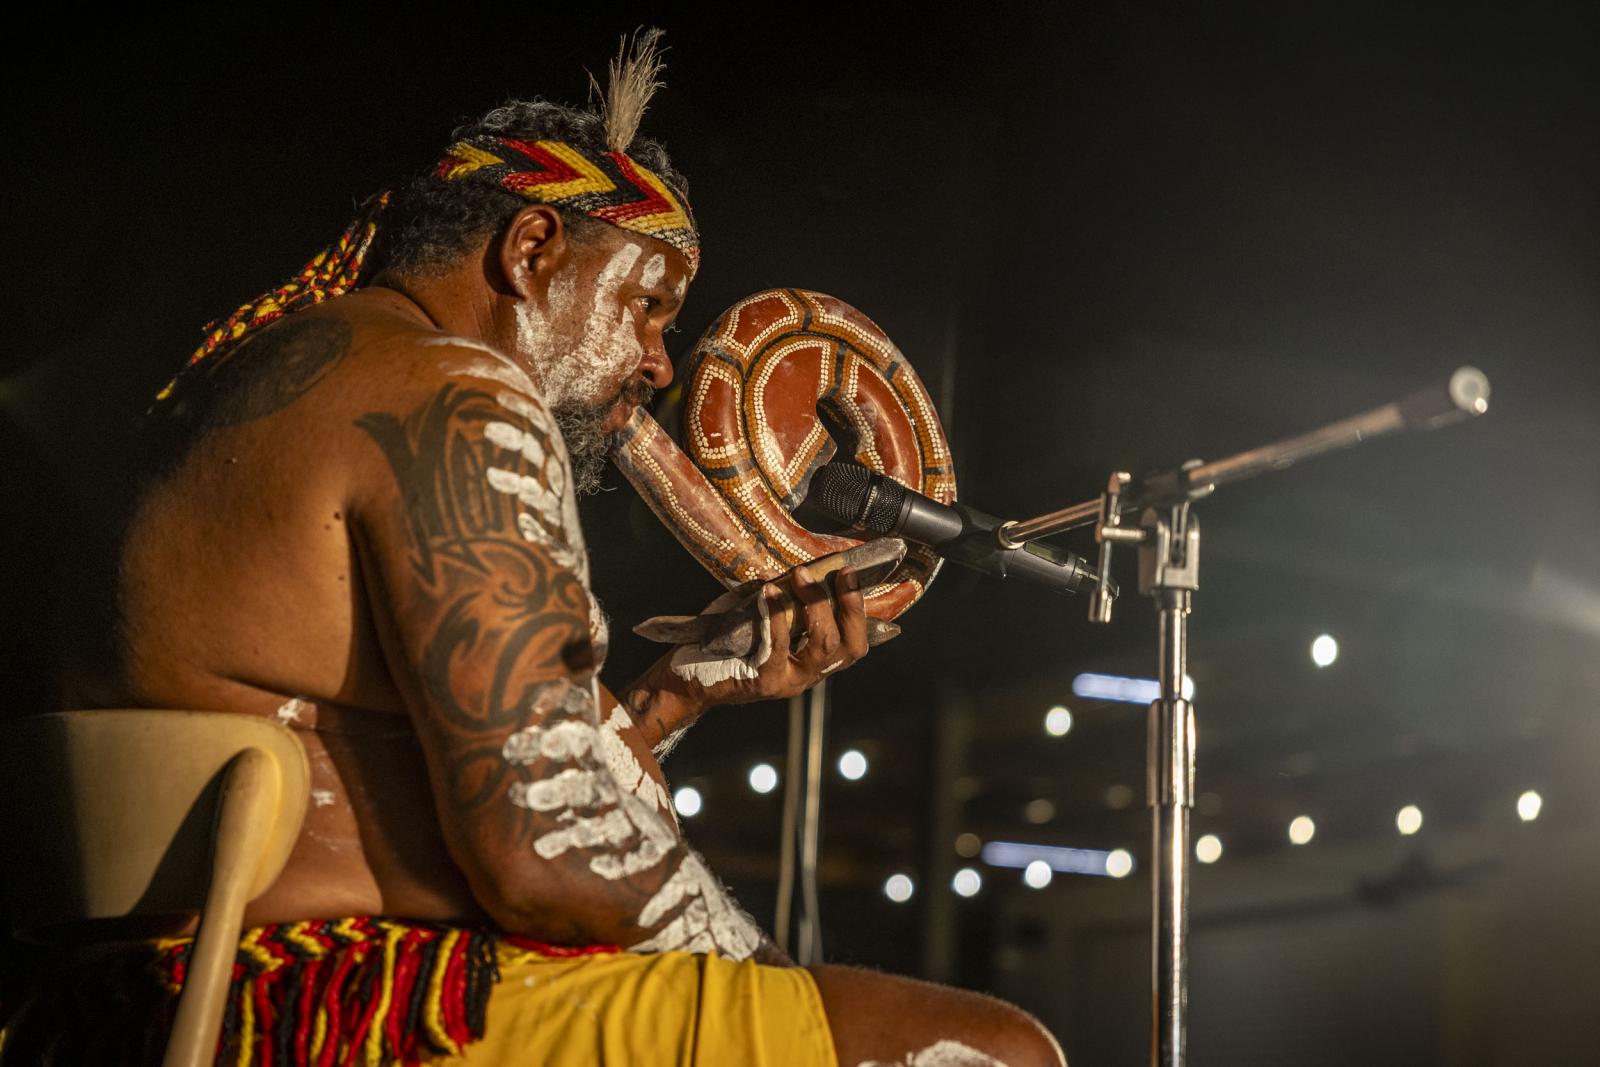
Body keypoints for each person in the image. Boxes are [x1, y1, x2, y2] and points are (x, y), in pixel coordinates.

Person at [3, 34, 1064, 1067]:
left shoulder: (241, 381)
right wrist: (770, 983)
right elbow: (547, 853)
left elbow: (456, 766)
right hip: (340, 1005)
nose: (656, 361)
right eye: (647, 305)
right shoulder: (453, 395)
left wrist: (673, 693)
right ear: (532, 250)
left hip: (128, 1008)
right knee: (994, 1051)